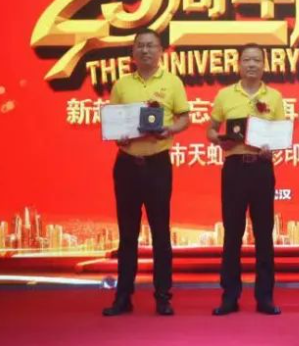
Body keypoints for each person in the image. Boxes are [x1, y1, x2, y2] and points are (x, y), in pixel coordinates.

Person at [102, 30, 191, 317]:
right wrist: (118, 135)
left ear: (160, 51)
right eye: (140, 46)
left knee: (161, 232)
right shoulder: (122, 84)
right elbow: (114, 121)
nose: (145, 51)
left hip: (157, 164)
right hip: (127, 164)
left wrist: (170, 129)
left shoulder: (172, 82)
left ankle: (163, 296)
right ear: (133, 52)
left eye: (150, 46)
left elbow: (184, 117)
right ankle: (123, 297)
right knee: (127, 234)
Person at [206, 44, 285, 316]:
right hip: (234, 168)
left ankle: (265, 297)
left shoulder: (274, 97)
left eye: (257, 60)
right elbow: (211, 129)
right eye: (247, 60)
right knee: (232, 234)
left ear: (264, 65)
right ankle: (230, 296)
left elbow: (280, 134)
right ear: (239, 64)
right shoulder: (225, 95)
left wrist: (271, 147)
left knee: (264, 234)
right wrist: (219, 140)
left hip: (261, 168)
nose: (252, 64)